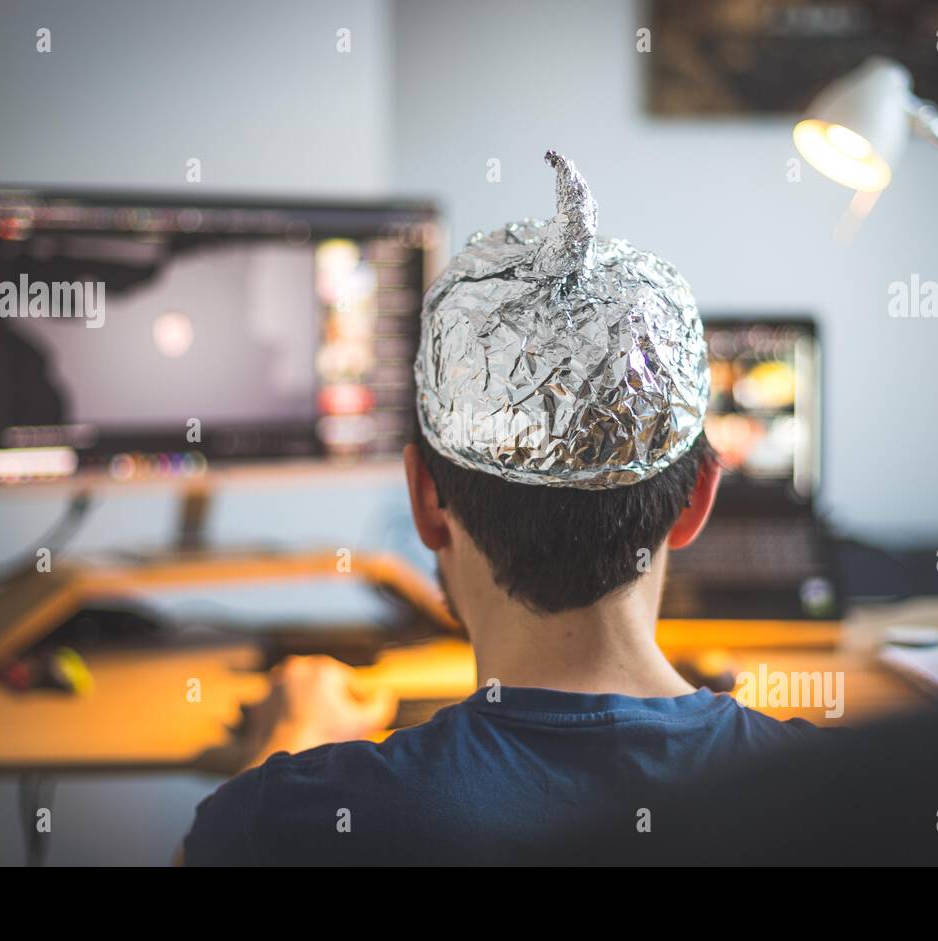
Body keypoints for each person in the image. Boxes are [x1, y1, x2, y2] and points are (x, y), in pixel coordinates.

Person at [182, 152, 817, 865]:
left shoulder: (284, 825)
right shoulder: (851, 802)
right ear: (699, 499)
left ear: (425, 499)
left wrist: (292, 735)